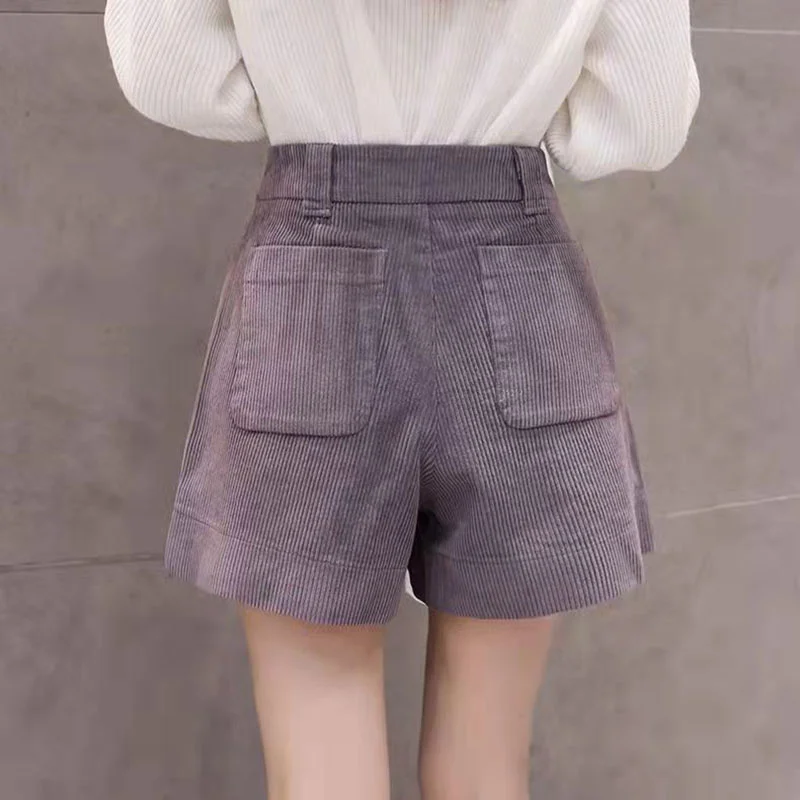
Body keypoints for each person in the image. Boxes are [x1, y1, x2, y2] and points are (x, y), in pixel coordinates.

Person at [104, 2, 699, 798]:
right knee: (487, 768)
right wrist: (517, 104)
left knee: (320, 768)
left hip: (314, 261)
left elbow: (162, 66)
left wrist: (295, 89)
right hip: (514, 268)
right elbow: (645, 116)